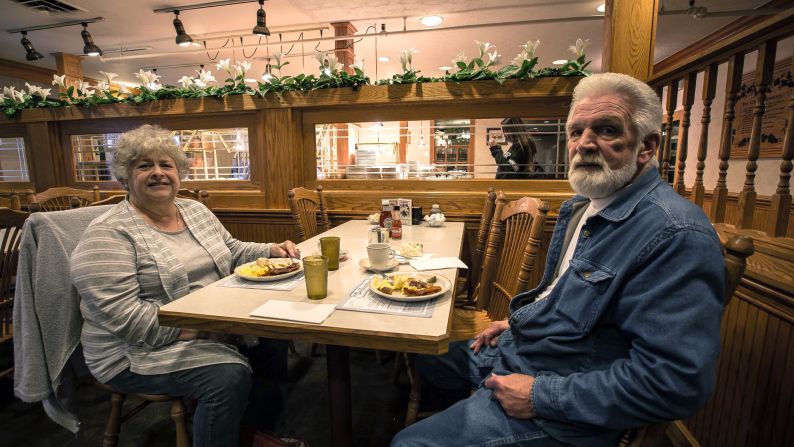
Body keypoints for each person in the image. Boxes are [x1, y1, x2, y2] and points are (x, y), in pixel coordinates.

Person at [391, 73, 725, 447]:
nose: (584, 144)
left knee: (407, 443)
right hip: (529, 352)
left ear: (646, 146)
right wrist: (519, 324)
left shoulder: (676, 234)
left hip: (566, 405)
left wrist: (539, 396)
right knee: (425, 359)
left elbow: (675, 383)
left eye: (606, 130)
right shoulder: (584, 206)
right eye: (576, 131)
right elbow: (566, 296)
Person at [70, 124, 300, 447]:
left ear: (179, 172)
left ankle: (255, 432)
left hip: (205, 324)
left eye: (167, 165)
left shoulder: (194, 210)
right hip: (130, 353)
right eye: (144, 165)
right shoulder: (107, 235)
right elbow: (130, 322)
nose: (158, 173)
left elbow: (230, 250)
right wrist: (207, 327)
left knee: (272, 334)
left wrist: (269, 251)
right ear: (125, 176)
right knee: (227, 376)